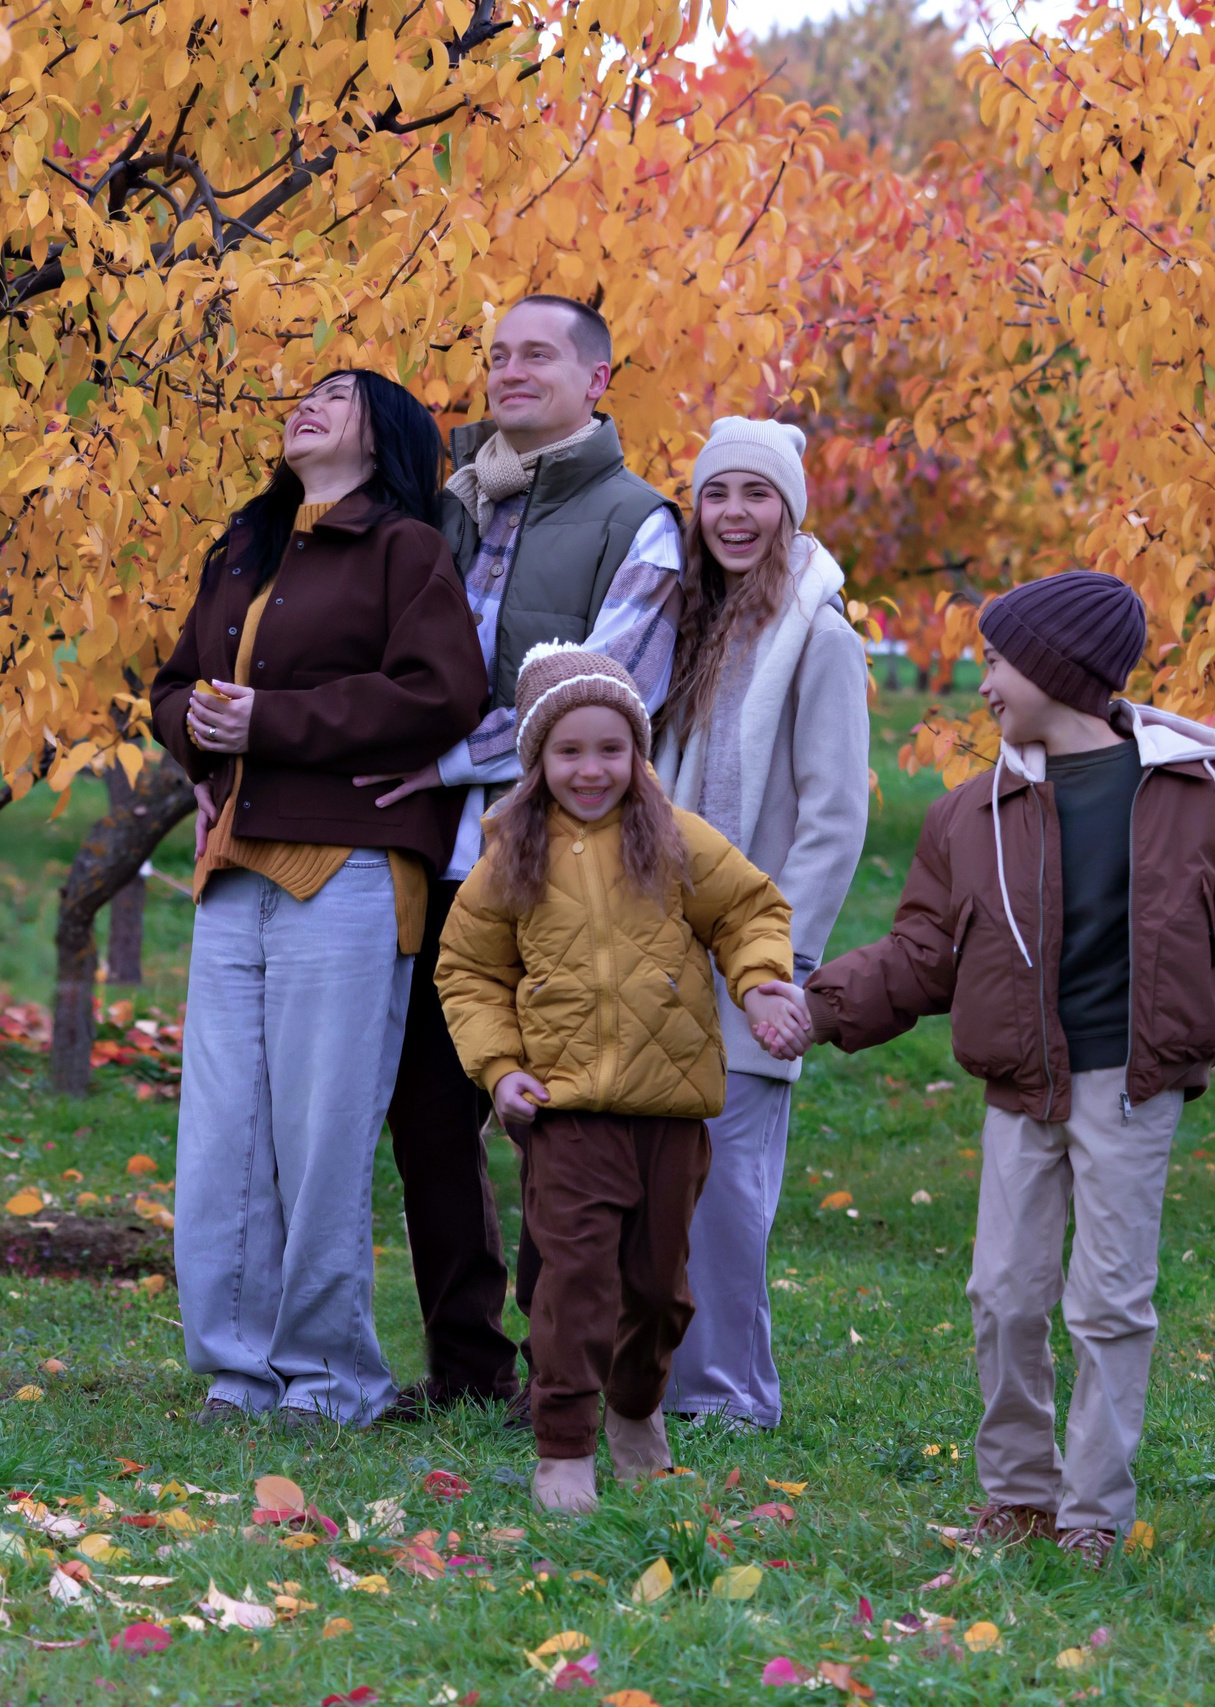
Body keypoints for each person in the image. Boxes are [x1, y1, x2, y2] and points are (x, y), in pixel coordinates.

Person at [803, 571, 1215, 1569]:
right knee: (1002, 1296)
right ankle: (1017, 1496)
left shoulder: (1202, 795)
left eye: (1000, 662)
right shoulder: (970, 816)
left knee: (1108, 1303)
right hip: (1021, 1089)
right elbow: (922, 952)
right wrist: (822, 1006)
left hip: (1130, 1090)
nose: (985, 684)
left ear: (1059, 672)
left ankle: (1091, 1514)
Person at [355, 295, 683, 1418]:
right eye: (493, 353)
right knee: (429, 1114)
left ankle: (562, 1368)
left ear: (597, 379)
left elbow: (607, 690)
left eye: (535, 353)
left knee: (560, 1118)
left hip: (558, 858)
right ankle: (464, 1365)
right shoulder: (443, 503)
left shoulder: (639, 521)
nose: (506, 370)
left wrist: (440, 765)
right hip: (425, 855)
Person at [149, 369, 487, 1428]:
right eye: (299, 393)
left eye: (336, 398)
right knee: (220, 1133)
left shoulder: (405, 549)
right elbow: (167, 682)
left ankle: (332, 1376)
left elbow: (443, 694)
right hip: (235, 862)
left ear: (381, 435)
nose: (305, 404)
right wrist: (191, 733)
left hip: (348, 864)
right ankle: (239, 1370)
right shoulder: (245, 543)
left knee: (321, 1127)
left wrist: (274, 725)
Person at [435, 644, 808, 1512]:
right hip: (567, 1114)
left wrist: (759, 985)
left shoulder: (675, 837)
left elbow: (749, 909)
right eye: (569, 751)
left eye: (612, 749)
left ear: (638, 752)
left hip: (671, 1112)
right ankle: (563, 1442)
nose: (592, 769)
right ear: (537, 760)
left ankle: (635, 1405)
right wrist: (499, 1069)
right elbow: (468, 971)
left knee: (658, 1288)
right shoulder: (510, 857)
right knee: (572, 1283)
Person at [652, 418, 869, 1431]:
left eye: (756, 494)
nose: (734, 514)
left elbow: (833, 814)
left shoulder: (818, 638)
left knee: (730, 1189)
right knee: (668, 1181)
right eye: (717, 494)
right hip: (660, 944)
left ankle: (733, 1395)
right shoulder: (687, 626)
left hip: (753, 953)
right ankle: (667, 1380)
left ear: (789, 509)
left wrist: (778, 957)